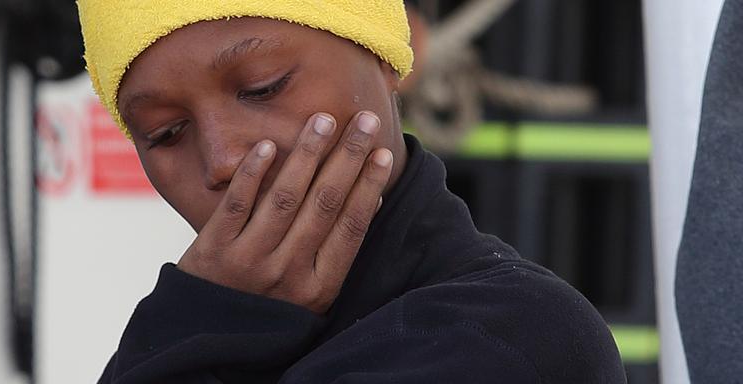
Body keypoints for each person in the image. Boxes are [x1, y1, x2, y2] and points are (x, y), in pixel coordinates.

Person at [77, 1, 625, 383]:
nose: (223, 159)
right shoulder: (185, 331)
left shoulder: (515, 333)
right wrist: (202, 322)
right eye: (165, 133)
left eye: (264, 87)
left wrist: (200, 328)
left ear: (383, 53)